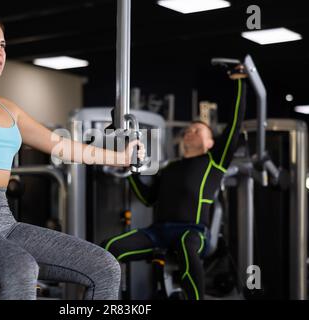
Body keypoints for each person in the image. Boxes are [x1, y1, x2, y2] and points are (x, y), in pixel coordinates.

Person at [0, 16, 145, 300]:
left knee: (104, 266)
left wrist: (120, 157)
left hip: (4, 220)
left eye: (2, 45)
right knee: (20, 267)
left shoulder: (8, 107)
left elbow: (61, 145)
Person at [102, 79, 246, 300]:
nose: (190, 131)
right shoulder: (170, 167)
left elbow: (235, 125)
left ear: (210, 143)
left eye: (198, 130)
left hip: (194, 231)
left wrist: (240, 82)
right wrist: (132, 171)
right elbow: (148, 198)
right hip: (158, 232)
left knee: (186, 246)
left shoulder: (213, 162)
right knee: (108, 247)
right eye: (189, 129)